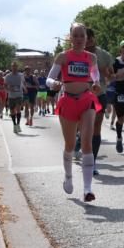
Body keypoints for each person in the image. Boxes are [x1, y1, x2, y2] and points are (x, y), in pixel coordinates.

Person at [46, 23, 103, 202]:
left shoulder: (91, 57)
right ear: (70, 38)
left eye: (82, 36)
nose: (79, 39)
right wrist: (53, 84)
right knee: (70, 145)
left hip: (86, 100)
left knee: (87, 143)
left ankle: (87, 189)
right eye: (76, 36)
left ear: (87, 39)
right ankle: (68, 177)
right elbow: (49, 78)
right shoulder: (63, 57)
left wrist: (95, 83)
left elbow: (96, 76)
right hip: (68, 101)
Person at [72, 28, 114, 173]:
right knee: (83, 129)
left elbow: (110, 76)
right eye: (85, 38)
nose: (88, 41)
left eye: (90, 38)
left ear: (94, 39)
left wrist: (107, 74)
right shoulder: (76, 54)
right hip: (80, 95)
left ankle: (92, 162)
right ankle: (79, 143)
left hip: (99, 94)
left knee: (96, 129)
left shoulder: (104, 55)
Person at [5, 62, 26, 133]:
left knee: (18, 109)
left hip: (19, 94)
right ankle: (14, 125)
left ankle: (18, 124)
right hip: (11, 95)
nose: (14, 68)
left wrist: (25, 88)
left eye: (15, 66)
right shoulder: (8, 76)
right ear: (11, 67)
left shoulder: (21, 75)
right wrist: (9, 88)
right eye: (13, 66)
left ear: (17, 67)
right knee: (12, 111)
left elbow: (23, 82)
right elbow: (5, 86)